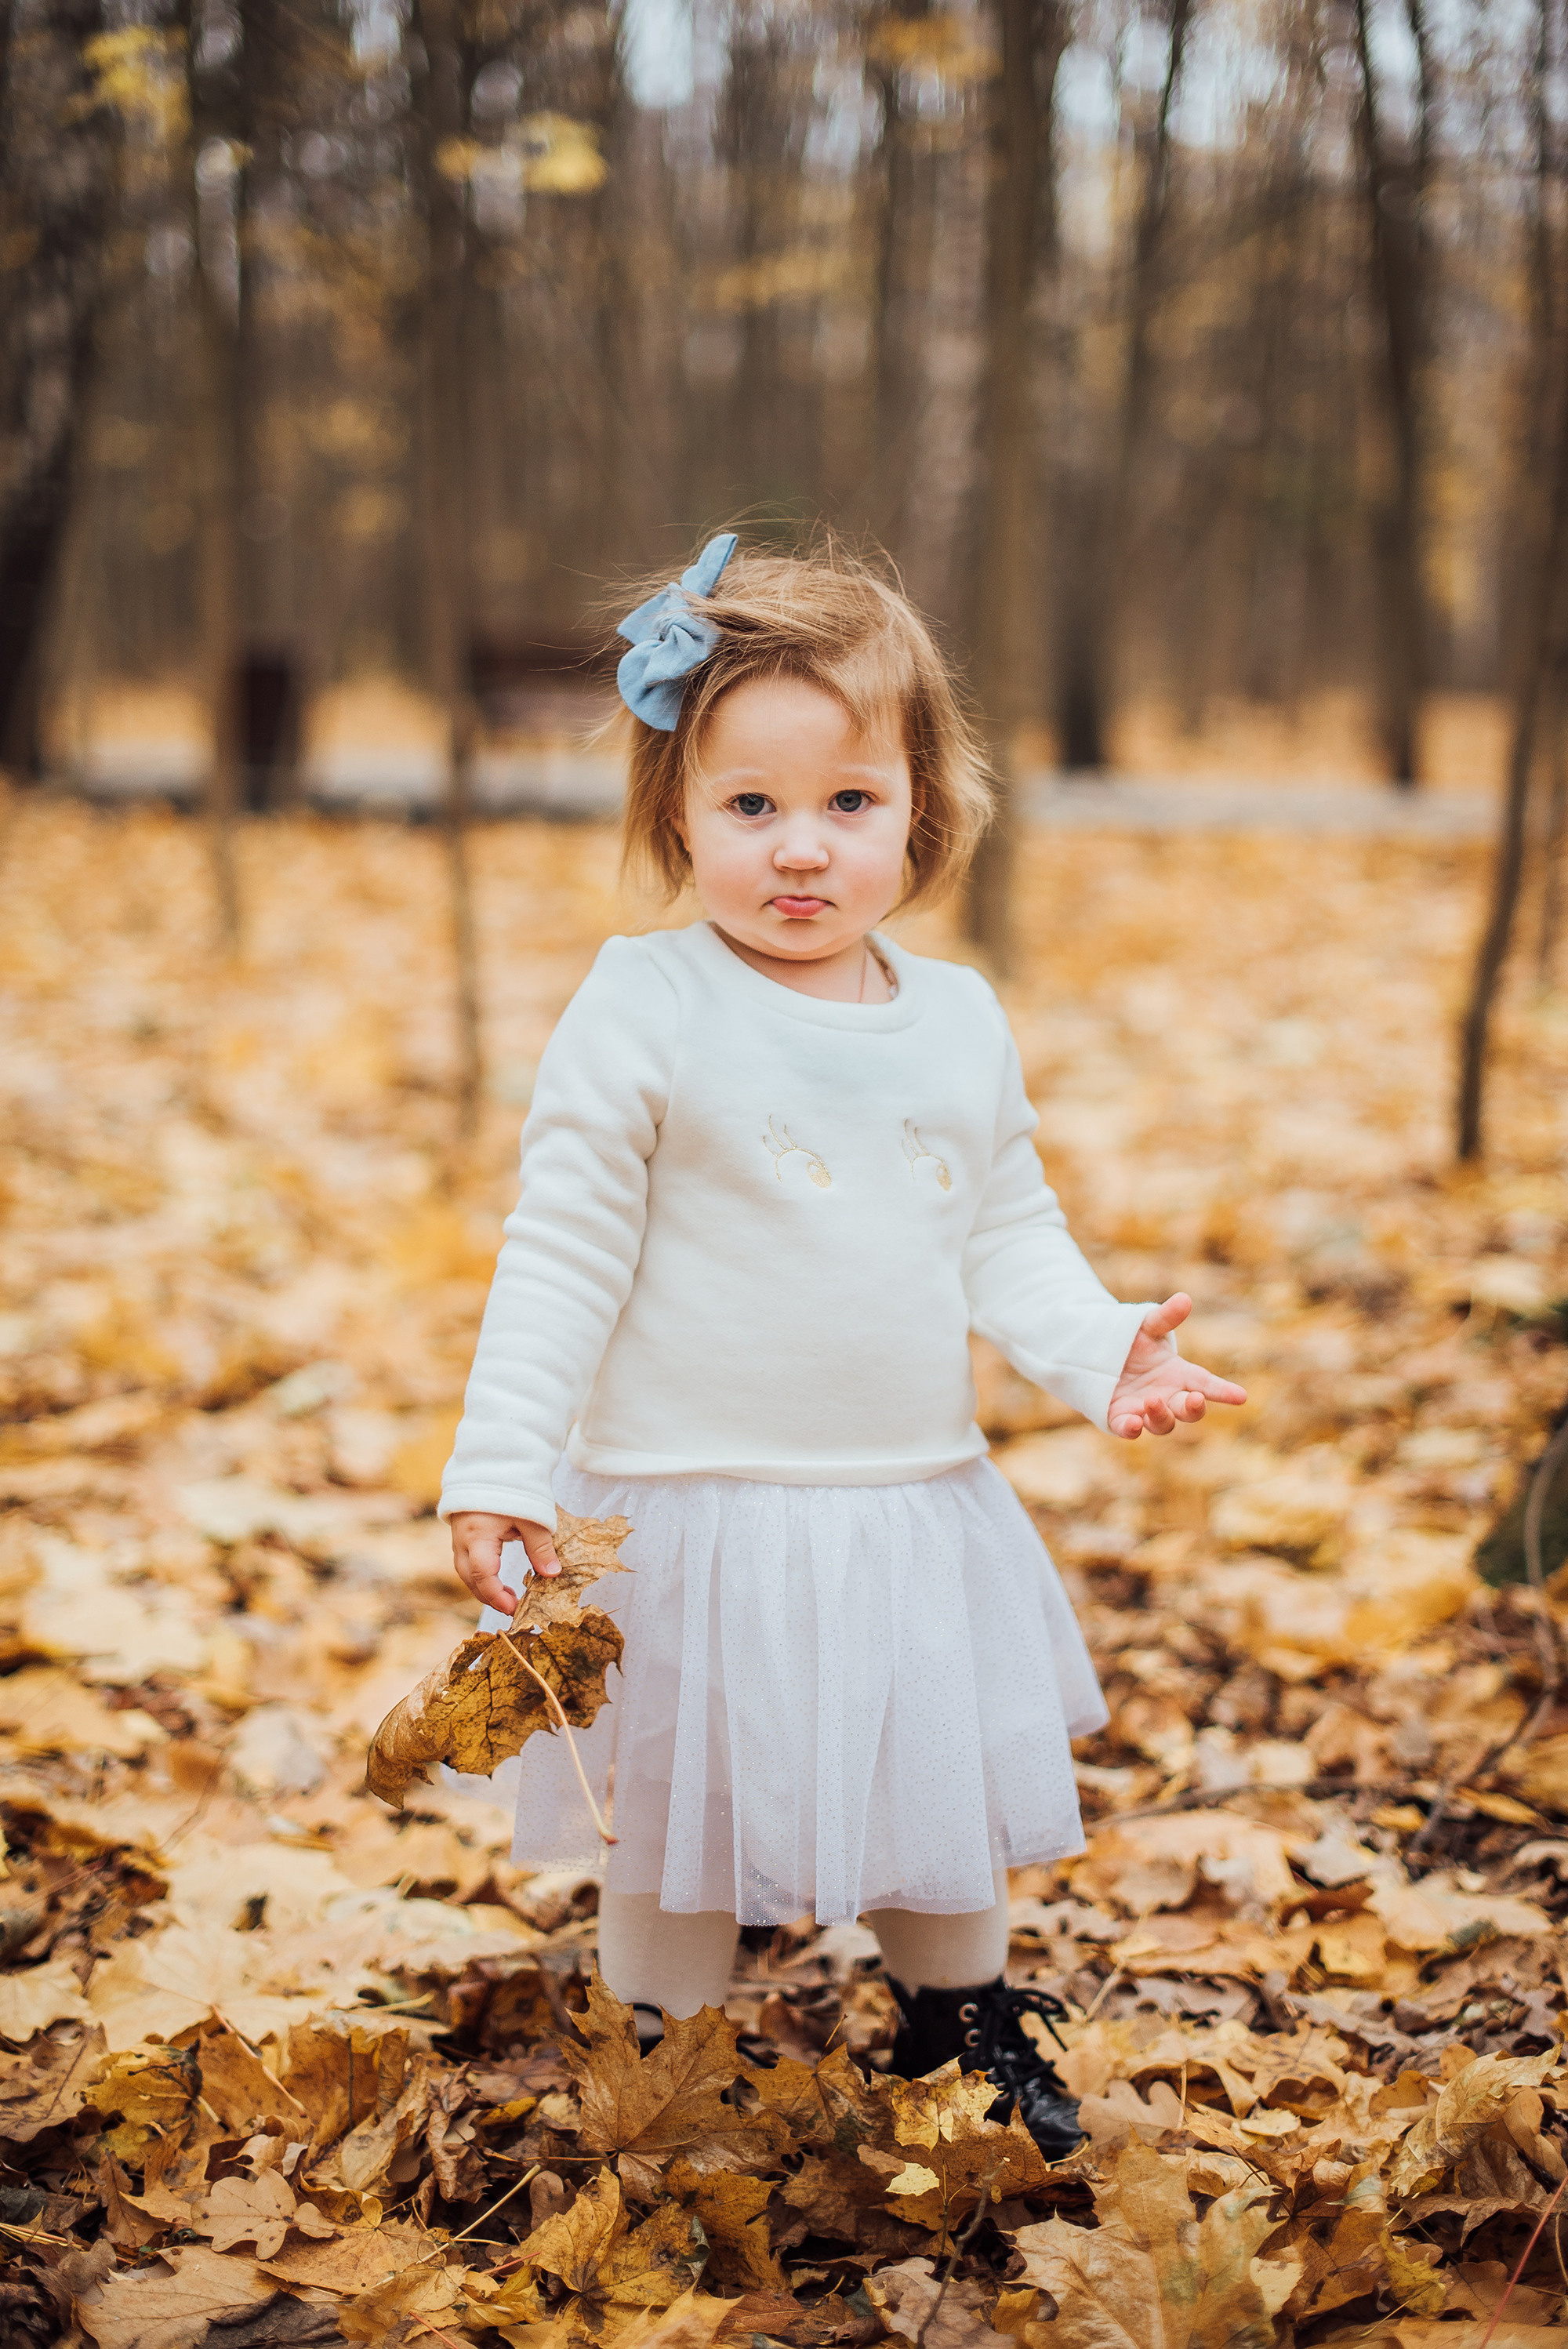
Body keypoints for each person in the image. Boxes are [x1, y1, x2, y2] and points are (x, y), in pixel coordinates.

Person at [441, 532, 1245, 2157]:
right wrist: (501, 1462)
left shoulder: (956, 1019)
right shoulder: (647, 1002)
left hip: (902, 1499)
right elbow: (562, 1247)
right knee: (677, 1816)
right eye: (751, 805)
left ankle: (962, 2023)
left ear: (919, 807)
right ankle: (664, 2054)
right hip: (686, 1504)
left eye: (849, 802)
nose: (800, 848)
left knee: (924, 1783)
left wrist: (1102, 1352)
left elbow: (1003, 1225)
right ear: (679, 811)